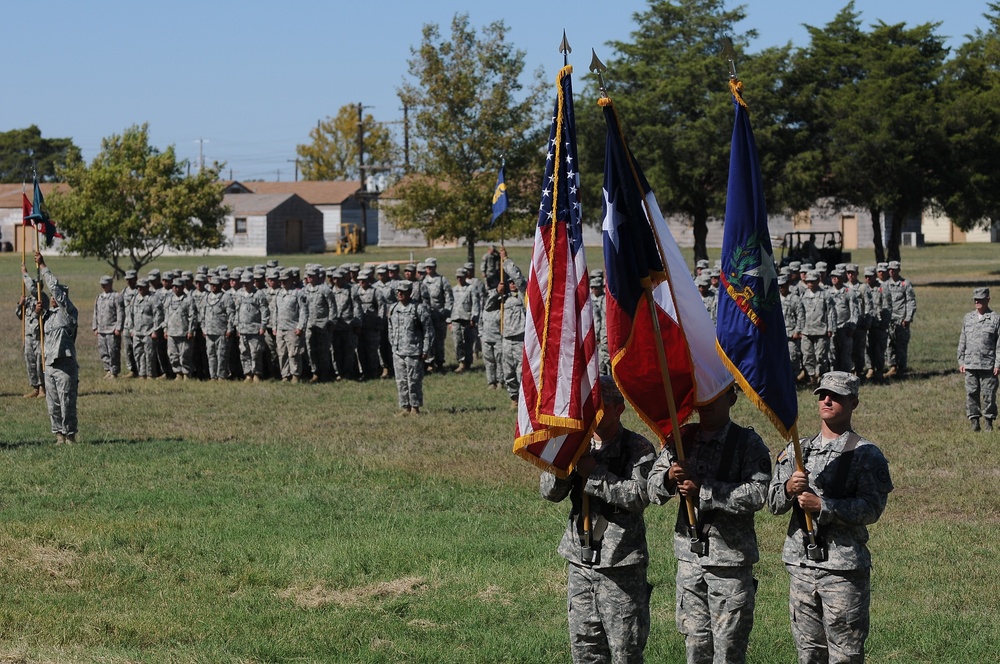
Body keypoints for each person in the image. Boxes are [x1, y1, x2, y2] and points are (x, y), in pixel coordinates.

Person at [768, 371, 893, 664]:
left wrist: (824, 506)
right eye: (823, 394)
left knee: (845, 656)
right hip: (801, 567)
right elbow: (772, 504)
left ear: (853, 403)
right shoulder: (798, 450)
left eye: (835, 396)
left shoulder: (866, 455)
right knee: (808, 654)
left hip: (842, 570)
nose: (826, 400)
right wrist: (788, 488)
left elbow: (871, 508)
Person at [647, 385, 771, 664]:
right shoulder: (682, 439)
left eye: (714, 396)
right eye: (702, 395)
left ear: (731, 398)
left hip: (729, 564)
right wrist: (669, 475)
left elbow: (758, 494)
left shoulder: (747, 443)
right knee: (696, 647)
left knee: (728, 651)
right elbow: (651, 490)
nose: (706, 403)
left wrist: (703, 490)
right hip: (690, 562)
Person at [541, 376, 656, 663]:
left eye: (600, 406)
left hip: (620, 563)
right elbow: (548, 492)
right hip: (580, 561)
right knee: (585, 650)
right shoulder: (571, 442)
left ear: (619, 408)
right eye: (588, 406)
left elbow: (639, 496)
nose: (593, 413)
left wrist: (594, 474)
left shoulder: (638, 448)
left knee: (625, 651)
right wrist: (565, 464)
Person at [31, 252, 79, 444]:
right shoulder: (48, 316)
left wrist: (43, 266)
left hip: (65, 364)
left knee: (67, 402)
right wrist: (37, 315)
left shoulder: (69, 313)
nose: (53, 298)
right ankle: (59, 435)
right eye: (51, 296)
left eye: (56, 296)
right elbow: (37, 334)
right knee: (53, 404)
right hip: (49, 364)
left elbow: (57, 291)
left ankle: (70, 435)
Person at [387, 280, 434, 415]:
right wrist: (393, 344)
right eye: (398, 291)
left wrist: (425, 350)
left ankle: (415, 407)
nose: (399, 293)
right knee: (401, 381)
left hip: (414, 351)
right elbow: (390, 327)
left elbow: (428, 331)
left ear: (410, 293)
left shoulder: (418, 308)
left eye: (403, 291)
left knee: (413, 380)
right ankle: (405, 407)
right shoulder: (393, 308)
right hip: (398, 351)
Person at [957, 287, 1000, 432]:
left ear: (987, 299)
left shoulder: (995, 318)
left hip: (988, 364)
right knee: (971, 393)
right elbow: (963, 340)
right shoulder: (968, 318)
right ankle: (974, 422)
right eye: (975, 299)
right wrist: (961, 360)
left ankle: (989, 422)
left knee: (989, 395)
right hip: (970, 363)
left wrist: (998, 363)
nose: (977, 302)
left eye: (980, 299)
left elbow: (999, 345)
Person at [16, 272, 48, 398]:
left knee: (40, 362)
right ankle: (35, 387)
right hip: (28, 336)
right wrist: (20, 304)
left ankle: (42, 388)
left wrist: (24, 274)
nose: (33, 289)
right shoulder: (28, 300)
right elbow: (20, 315)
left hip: (39, 336)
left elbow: (32, 289)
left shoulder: (43, 298)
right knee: (30, 362)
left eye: (35, 287)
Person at [883, 261, 916, 377]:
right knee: (889, 344)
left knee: (901, 344)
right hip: (889, 320)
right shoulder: (886, 285)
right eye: (890, 269)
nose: (891, 271)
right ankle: (892, 366)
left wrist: (908, 318)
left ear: (898, 270)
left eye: (894, 269)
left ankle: (901, 368)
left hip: (901, 319)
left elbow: (911, 301)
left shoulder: (905, 284)